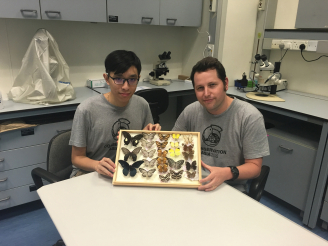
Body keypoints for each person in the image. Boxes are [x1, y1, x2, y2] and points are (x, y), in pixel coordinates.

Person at [172, 57, 269, 192]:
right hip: (194, 182)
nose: (206, 93)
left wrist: (227, 173)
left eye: (212, 85)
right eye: (200, 88)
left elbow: (255, 167)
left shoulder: (249, 117)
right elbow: (173, 147)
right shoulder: (190, 112)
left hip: (230, 187)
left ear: (225, 83)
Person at [69, 50, 161, 178]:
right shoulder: (86, 110)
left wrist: (147, 138)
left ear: (138, 79)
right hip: (91, 173)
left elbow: (146, 151)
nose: (125, 87)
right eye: (118, 79)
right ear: (107, 79)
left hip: (128, 170)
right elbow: (77, 158)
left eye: (132, 79)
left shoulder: (142, 105)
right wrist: (97, 165)